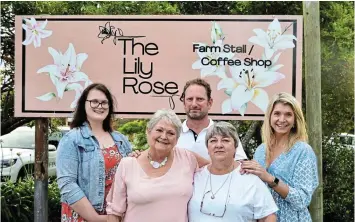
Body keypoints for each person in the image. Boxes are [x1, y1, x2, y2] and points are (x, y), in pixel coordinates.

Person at [106, 109, 209, 222]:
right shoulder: (128, 164)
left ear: (177, 139)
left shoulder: (187, 158)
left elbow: (218, 168)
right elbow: (114, 213)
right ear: (148, 131)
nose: (164, 136)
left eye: (171, 133)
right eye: (159, 130)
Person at [56, 83, 132, 222]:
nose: (100, 106)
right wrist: (96, 218)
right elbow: (67, 184)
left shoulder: (121, 140)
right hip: (84, 216)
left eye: (104, 102)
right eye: (94, 101)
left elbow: (131, 175)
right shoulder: (71, 139)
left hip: (115, 216)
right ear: (83, 104)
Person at [240, 92, 319, 222]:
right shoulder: (261, 150)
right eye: (277, 113)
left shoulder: (303, 151)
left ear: (295, 120)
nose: (282, 119)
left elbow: (301, 200)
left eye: (288, 114)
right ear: (270, 117)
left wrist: (270, 178)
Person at [188, 121, 278, 222]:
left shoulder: (250, 179)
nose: (219, 145)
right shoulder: (195, 177)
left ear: (235, 147)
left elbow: (268, 216)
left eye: (225, 140)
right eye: (213, 141)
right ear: (207, 148)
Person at [176, 78, 248, 161]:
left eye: (200, 99)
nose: (194, 104)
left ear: (210, 103)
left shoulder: (226, 133)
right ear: (184, 103)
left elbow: (240, 164)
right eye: (190, 99)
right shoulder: (173, 134)